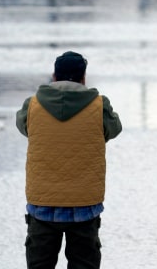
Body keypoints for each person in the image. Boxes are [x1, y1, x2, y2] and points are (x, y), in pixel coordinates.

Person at [16, 51, 123, 269]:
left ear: (54, 76)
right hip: (84, 205)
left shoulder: (33, 105)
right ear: (84, 78)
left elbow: (25, 128)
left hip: (42, 205)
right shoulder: (99, 105)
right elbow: (114, 129)